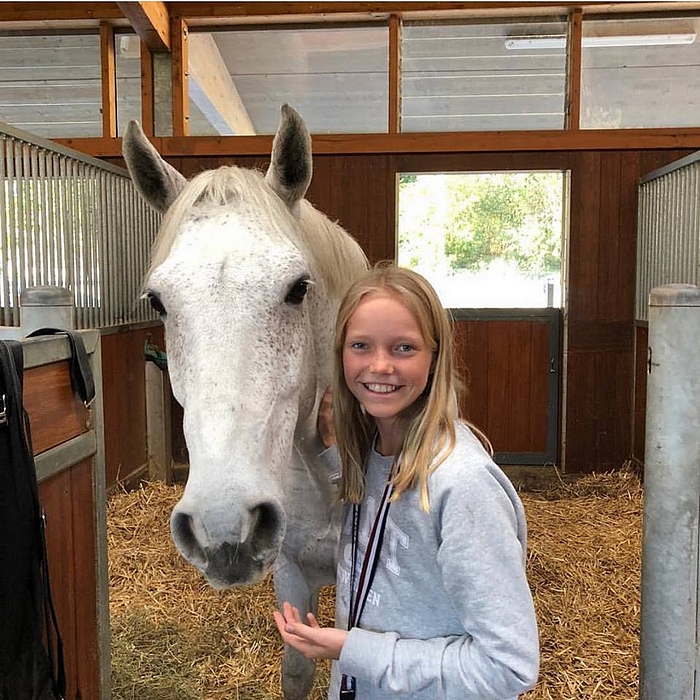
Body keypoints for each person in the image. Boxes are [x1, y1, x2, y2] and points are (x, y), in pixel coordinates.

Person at [273, 264, 539, 699]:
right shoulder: (374, 453)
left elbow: (508, 668)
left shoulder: (463, 486)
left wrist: (351, 649)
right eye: (361, 346)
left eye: (403, 348)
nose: (380, 366)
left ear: (435, 358)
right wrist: (338, 460)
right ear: (340, 355)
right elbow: (387, 525)